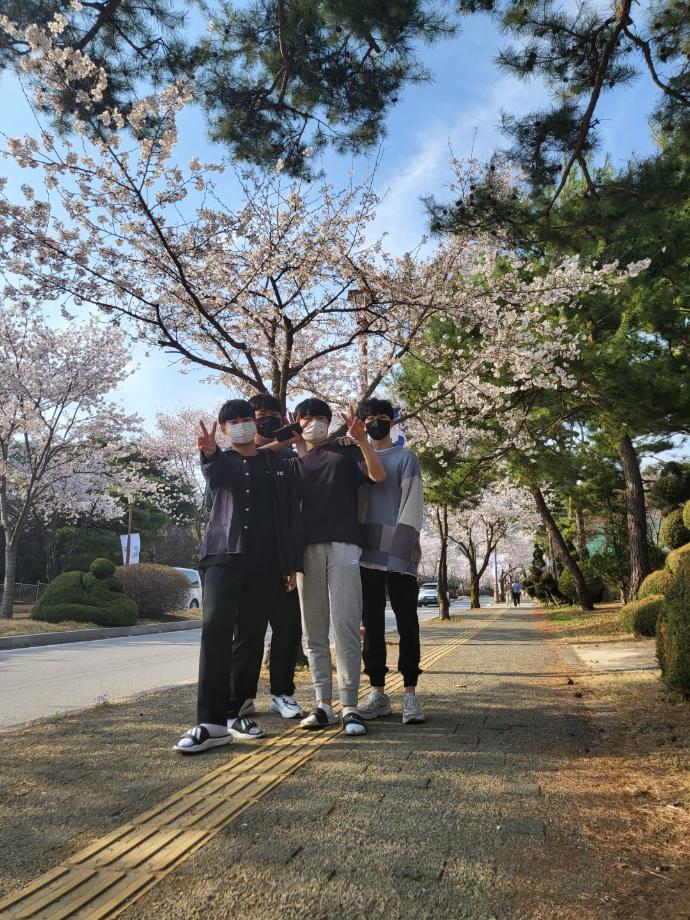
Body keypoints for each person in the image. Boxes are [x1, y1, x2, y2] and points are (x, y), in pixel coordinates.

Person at [174, 399, 302, 754]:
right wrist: (209, 453)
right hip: (223, 556)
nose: (243, 425)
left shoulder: (275, 463)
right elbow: (215, 474)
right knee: (215, 628)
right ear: (225, 428)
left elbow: (286, 515)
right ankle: (210, 723)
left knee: (251, 635)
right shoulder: (224, 462)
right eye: (234, 421)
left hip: (266, 562)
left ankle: (234, 713)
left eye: (247, 419)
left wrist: (289, 564)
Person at [291, 397, 386, 736]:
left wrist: (361, 441)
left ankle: (350, 706)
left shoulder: (345, 451)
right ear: (297, 421)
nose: (314, 422)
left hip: (345, 544)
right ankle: (323, 705)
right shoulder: (294, 464)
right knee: (313, 630)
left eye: (321, 417)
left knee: (345, 624)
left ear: (330, 422)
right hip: (306, 550)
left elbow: (378, 475)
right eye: (307, 418)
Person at [233, 392, 304, 721]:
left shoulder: (289, 459)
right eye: (261, 417)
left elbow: (294, 513)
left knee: (288, 630)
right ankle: (241, 696)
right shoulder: (234, 459)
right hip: (246, 560)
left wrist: (292, 563)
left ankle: (282, 693)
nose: (267, 422)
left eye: (274, 417)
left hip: (281, 560)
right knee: (248, 632)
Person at [355, 398, 426, 725]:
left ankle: (410, 693)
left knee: (407, 623)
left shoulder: (406, 458)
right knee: (371, 625)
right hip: (365, 555)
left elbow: (412, 505)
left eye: (383, 416)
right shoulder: (357, 458)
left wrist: (401, 552)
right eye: (371, 417)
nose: (377, 421)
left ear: (392, 421)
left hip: (400, 555)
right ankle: (377, 691)